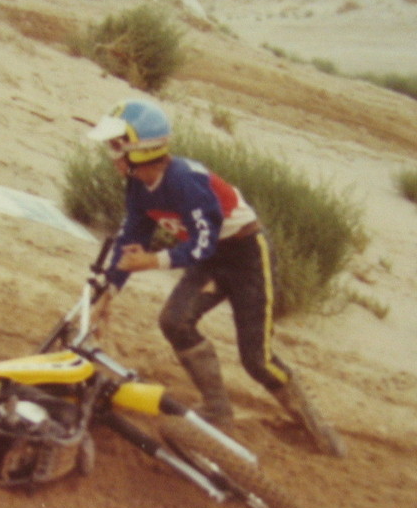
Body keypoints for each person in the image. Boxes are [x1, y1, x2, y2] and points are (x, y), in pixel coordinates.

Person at [87, 99, 346, 457]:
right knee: (175, 321)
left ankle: (315, 425)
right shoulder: (137, 186)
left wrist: (154, 261)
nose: (111, 154)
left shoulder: (186, 181)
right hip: (211, 259)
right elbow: (132, 237)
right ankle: (218, 410)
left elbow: (202, 244)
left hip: (247, 255)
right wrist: (108, 291)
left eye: (117, 146)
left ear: (141, 149)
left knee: (257, 360)